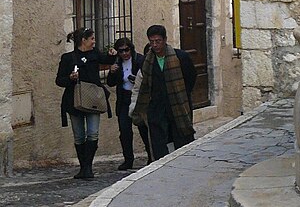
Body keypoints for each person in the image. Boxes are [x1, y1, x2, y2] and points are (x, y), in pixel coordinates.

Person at [130, 25, 197, 161]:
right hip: (156, 107)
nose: (155, 45)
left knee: (181, 138)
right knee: (158, 142)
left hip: (178, 105)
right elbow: (145, 84)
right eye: (152, 41)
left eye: (158, 41)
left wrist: (180, 95)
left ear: (165, 40)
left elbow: (190, 78)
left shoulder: (180, 57)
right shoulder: (147, 61)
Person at [55, 28, 114, 179]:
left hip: (93, 99)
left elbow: (107, 60)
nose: (94, 42)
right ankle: (83, 167)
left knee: (93, 133)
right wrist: (70, 78)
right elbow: (59, 81)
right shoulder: (68, 58)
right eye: (92, 39)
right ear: (83, 40)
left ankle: (88, 167)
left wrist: (112, 55)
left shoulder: (95, 54)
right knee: (79, 135)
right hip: (74, 100)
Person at [106, 37, 150, 170]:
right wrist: (112, 72)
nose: (124, 53)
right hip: (124, 99)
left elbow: (147, 79)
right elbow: (110, 82)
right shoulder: (117, 62)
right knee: (125, 131)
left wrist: (136, 80)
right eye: (121, 51)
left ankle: (151, 156)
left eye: (127, 50)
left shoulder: (140, 60)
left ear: (131, 49)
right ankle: (128, 159)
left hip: (139, 98)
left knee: (143, 129)